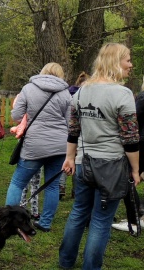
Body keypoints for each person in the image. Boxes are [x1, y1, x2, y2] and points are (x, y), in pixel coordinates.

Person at [59, 43, 139, 269]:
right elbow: (130, 138)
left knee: (78, 212)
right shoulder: (123, 94)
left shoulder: (83, 90)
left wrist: (70, 157)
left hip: (83, 163)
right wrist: (135, 169)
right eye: (128, 60)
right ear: (115, 62)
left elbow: (73, 130)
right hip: (111, 166)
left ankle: (65, 262)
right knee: (101, 220)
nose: (131, 65)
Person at [5, 62, 70, 232]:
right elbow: (71, 122)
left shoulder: (28, 89)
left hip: (34, 145)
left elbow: (17, 115)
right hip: (59, 146)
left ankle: (9, 220)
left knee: (18, 182)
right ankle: (46, 222)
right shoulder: (65, 94)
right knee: (53, 185)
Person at [111, 72, 144, 232]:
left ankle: (134, 220)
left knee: (129, 179)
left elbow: (131, 121)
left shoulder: (143, 97)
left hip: (141, 143)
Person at [59, 71, 90, 199]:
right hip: (81, 133)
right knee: (77, 162)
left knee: (67, 159)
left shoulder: (69, 94)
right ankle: (76, 190)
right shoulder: (85, 96)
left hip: (68, 133)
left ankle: (61, 187)